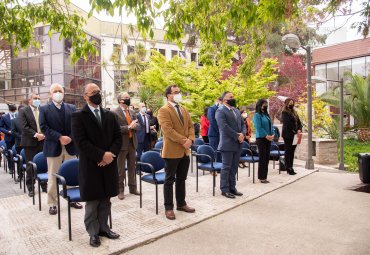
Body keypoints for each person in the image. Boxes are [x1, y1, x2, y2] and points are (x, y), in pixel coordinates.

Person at [71, 83, 122, 247]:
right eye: (93, 92)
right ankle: (93, 233)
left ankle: (104, 228)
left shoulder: (109, 114)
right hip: (91, 165)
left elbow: (117, 138)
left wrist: (109, 156)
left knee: (106, 199)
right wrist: (101, 155)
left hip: (108, 164)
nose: (97, 94)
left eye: (98, 91)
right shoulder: (78, 116)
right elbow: (81, 142)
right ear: (85, 96)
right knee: (93, 202)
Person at [39, 83, 82, 215]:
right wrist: (59, 137)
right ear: (51, 94)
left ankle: (71, 198)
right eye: (55, 91)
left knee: (72, 173)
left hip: (70, 146)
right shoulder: (44, 109)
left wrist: (69, 137)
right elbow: (43, 127)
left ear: (64, 93)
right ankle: (52, 203)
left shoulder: (71, 107)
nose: (58, 93)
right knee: (52, 176)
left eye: (60, 91)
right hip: (53, 146)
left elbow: (76, 125)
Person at [157, 85, 195, 220]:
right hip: (172, 151)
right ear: (168, 95)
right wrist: (183, 140)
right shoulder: (163, 110)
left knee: (182, 179)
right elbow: (167, 130)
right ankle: (168, 207)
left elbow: (191, 126)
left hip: (185, 150)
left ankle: (181, 203)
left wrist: (190, 139)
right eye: (175, 92)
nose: (178, 94)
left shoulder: (184, 109)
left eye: (179, 92)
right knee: (169, 180)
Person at [215, 92, 246, 199]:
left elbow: (243, 124)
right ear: (224, 100)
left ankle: (232, 187)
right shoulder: (220, 111)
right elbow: (224, 127)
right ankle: (224, 189)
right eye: (231, 97)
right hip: (227, 144)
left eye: (233, 96)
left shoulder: (236, 110)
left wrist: (243, 134)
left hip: (238, 144)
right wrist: (236, 135)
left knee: (234, 167)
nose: (233, 98)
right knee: (226, 167)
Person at [111, 92, 140, 200]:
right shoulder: (114, 112)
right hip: (121, 145)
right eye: (125, 98)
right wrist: (128, 127)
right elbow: (114, 130)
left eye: (129, 97)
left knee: (132, 167)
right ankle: (120, 190)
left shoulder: (132, 111)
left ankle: (133, 188)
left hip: (132, 143)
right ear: (120, 100)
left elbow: (138, 125)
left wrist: (134, 126)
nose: (128, 99)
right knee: (120, 169)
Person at [19, 93, 46, 197]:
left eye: (39, 98)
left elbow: (45, 124)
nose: (37, 100)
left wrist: (44, 134)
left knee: (43, 164)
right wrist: (36, 135)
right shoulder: (23, 111)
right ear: (29, 100)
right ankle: (31, 187)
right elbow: (24, 127)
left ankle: (44, 184)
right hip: (30, 143)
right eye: (35, 98)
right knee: (30, 165)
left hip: (43, 141)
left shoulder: (42, 109)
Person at [253, 99, 275, 183]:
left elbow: (271, 125)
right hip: (261, 139)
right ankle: (261, 177)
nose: (265, 105)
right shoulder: (257, 115)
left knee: (266, 157)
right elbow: (259, 127)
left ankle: (265, 176)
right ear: (260, 105)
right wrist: (266, 135)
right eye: (264, 104)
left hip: (268, 138)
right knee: (262, 158)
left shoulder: (266, 115)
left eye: (266, 104)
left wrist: (272, 134)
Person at [281, 98, 302, 175]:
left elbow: (299, 122)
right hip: (288, 135)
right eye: (290, 102)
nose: (291, 104)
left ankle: (291, 166)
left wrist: (299, 129)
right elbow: (287, 124)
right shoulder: (284, 112)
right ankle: (288, 167)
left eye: (292, 102)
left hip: (295, 135)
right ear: (286, 103)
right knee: (288, 151)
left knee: (292, 151)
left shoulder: (294, 112)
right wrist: (295, 131)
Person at [0, 104, 17, 174]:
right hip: (9, 138)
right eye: (12, 111)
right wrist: (7, 132)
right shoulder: (4, 117)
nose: (14, 112)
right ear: (9, 110)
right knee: (10, 153)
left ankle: (20, 168)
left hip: (17, 137)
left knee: (18, 153)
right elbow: (0, 127)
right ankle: (11, 168)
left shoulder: (18, 115)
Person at [11, 105, 24, 182]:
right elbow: (13, 132)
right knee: (20, 160)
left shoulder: (29, 119)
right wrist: (22, 137)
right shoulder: (14, 120)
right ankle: (20, 175)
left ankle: (32, 175)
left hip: (30, 143)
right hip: (19, 143)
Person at [207, 97, 222, 161]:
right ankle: (212, 168)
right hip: (214, 133)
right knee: (214, 151)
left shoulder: (221, 109)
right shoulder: (212, 108)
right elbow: (212, 121)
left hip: (221, 133)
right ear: (218, 101)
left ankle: (219, 168)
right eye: (221, 101)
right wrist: (219, 130)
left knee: (219, 151)